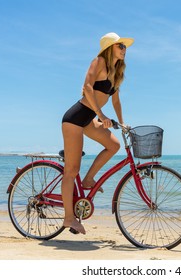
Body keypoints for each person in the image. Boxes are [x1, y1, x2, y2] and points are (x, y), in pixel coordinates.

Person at [61, 32, 134, 234]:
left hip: (89, 119)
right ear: (110, 47)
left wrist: (122, 122)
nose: (124, 49)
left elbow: (116, 101)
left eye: (125, 47)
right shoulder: (100, 61)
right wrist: (101, 115)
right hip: (75, 119)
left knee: (114, 145)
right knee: (71, 170)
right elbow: (87, 87)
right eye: (120, 46)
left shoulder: (116, 71)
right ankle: (69, 218)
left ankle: (88, 179)